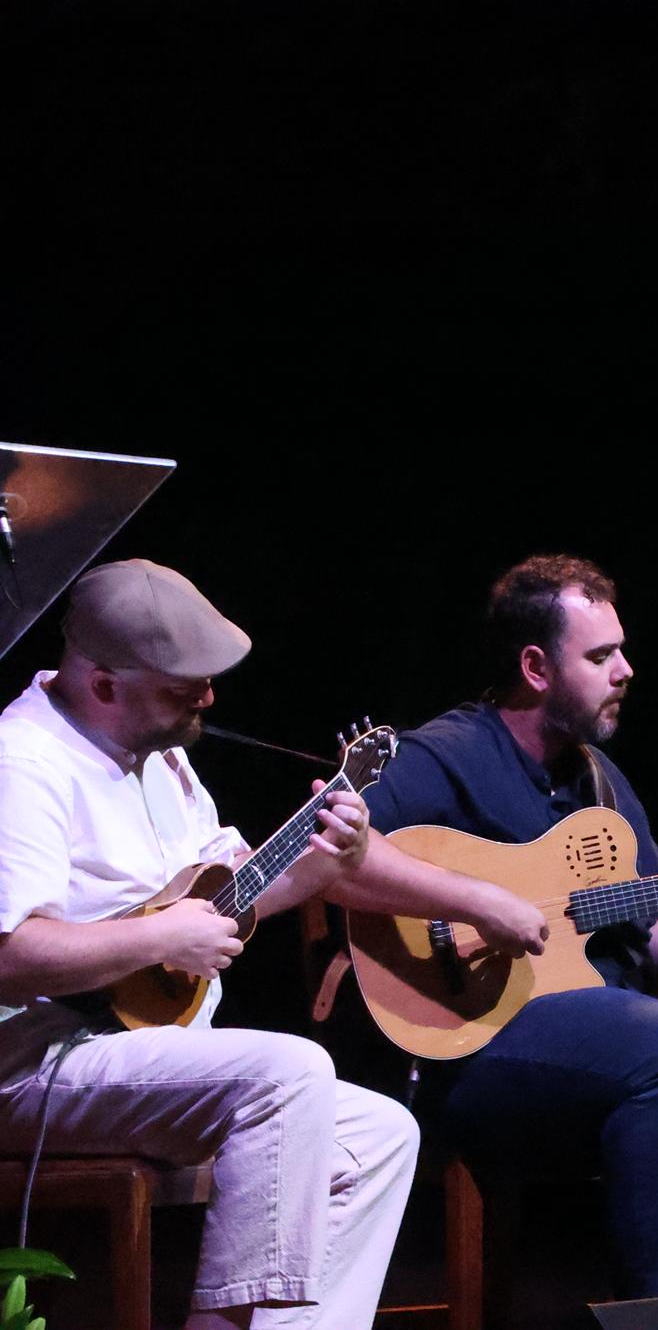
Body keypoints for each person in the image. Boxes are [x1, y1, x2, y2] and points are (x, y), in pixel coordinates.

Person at [346, 553, 658, 1306]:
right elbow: (333, 855)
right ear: (536, 666)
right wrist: (479, 901)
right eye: (602, 655)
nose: (627, 670)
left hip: (614, 1037)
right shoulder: (445, 755)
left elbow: (651, 928)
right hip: (476, 1049)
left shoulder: (601, 782)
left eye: (622, 649)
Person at [0, 559, 419, 1329]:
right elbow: (10, 955)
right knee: (289, 1070)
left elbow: (235, 894)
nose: (209, 698)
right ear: (102, 682)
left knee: (379, 1134)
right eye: (181, 686)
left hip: (141, 1051)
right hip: (36, 1064)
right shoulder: (23, 762)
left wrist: (326, 852)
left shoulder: (164, 758)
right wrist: (161, 934)